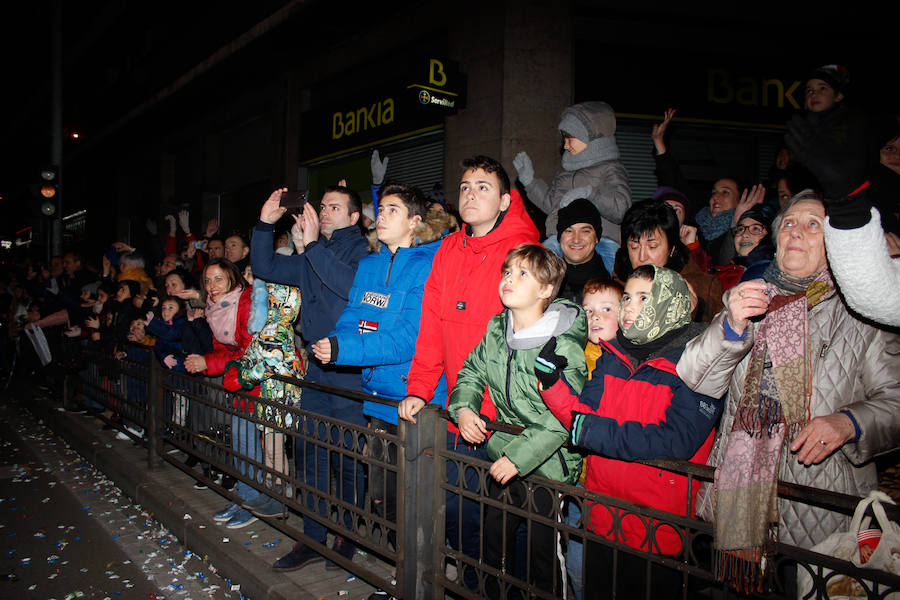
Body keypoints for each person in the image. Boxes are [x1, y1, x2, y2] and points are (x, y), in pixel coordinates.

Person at [676, 192, 900, 593]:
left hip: (820, 507)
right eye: (790, 223)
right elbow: (695, 377)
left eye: (813, 225)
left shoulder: (861, 314)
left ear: (834, 243)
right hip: (742, 504)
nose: (796, 232)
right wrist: (730, 327)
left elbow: (895, 401)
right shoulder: (750, 300)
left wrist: (849, 423)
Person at [397, 155, 539, 589]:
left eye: (483, 187)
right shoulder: (449, 249)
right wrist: (420, 388)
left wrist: (482, 406)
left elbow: (525, 339)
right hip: (463, 409)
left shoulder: (521, 251)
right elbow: (432, 325)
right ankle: (475, 585)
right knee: (460, 511)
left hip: (508, 417)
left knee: (507, 524)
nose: (471, 194)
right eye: (464, 187)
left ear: (505, 201)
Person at [538, 265, 720, 599]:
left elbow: (674, 440)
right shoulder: (613, 355)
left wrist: (591, 432)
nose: (629, 307)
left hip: (656, 527)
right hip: (602, 516)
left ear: (670, 303)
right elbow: (583, 418)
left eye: (644, 298)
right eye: (626, 297)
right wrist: (552, 385)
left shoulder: (698, 363)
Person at [311, 183, 448, 563]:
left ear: (415, 221)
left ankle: (421, 576)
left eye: (393, 210)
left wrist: (347, 349)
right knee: (383, 499)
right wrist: (336, 342)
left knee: (416, 502)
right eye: (381, 209)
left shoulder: (427, 265)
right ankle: (399, 571)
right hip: (377, 397)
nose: (382, 217)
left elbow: (408, 338)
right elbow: (354, 315)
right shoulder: (370, 265)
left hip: (415, 399)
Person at [447, 243, 587, 597]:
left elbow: (566, 412)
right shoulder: (498, 329)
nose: (509, 279)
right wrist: (464, 409)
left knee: (545, 556)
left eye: (523, 274)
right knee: (495, 546)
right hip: (504, 456)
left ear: (546, 289)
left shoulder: (562, 342)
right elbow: (472, 372)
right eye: (507, 272)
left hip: (550, 465)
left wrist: (518, 456)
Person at [251, 184, 369, 572]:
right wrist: (265, 225)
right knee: (311, 453)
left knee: (347, 456)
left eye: (335, 207)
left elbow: (348, 288)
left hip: (350, 371)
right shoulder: (315, 252)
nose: (325, 211)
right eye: (322, 206)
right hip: (317, 368)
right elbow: (266, 268)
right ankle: (313, 537)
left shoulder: (364, 254)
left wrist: (313, 245)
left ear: (354, 217)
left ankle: (347, 535)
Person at [183, 259, 260, 529]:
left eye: (218, 279)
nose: (211, 286)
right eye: (207, 280)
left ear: (232, 278)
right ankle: (245, 497)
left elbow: (249, 351)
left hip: (257, 379)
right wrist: (205, 360)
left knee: (248, 442)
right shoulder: (215, 307)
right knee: (240, 442)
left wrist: (208, 363)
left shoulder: (246, 301)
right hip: (240, 380)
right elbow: (223, 349)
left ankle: (253, 502)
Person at [565, 277, 622, 600]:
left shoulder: (630, 360)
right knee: (577, 562)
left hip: (615, 481)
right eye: (588, 311)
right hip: (581, 478)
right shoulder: (575, 356)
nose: (595, 317)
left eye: (606, 309)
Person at [651, 108, 764, 265]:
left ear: (740, 200)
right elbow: (674, 182)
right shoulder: (695, 220)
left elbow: (725, 260)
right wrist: (659, 143)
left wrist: (737, 221)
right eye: (714, 192)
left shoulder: (747, 229)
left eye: (725, 192)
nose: (716, 197)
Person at [513, 101, 632, 247]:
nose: (565, 145)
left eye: (570, 139)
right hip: (559, 239)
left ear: (589, 138)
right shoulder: (566, 170)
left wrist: (590, 194)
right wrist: (530, 182)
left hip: (601, 243)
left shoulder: (610, 168)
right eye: (564, 139)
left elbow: (621, 209)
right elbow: (553, 205)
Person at [614, 200, 724, 321]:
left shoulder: (703, 286)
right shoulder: (616, 286)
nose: (642, 257)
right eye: (634, 247)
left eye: (652, 246)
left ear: (672, 249)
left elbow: (718, 329)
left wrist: (692, 313)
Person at [556, 199, 611, 303]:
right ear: (559, 238)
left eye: (585, 231)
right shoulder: (545, 280)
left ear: (596, 238)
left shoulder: (611, 285)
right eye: (569, 231)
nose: (576, 239)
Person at [712, 203, 776, 291]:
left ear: (769, 236)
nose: (745, 234)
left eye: (756, 229)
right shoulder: (723, 272)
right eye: (740, 229)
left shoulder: (774, 273)